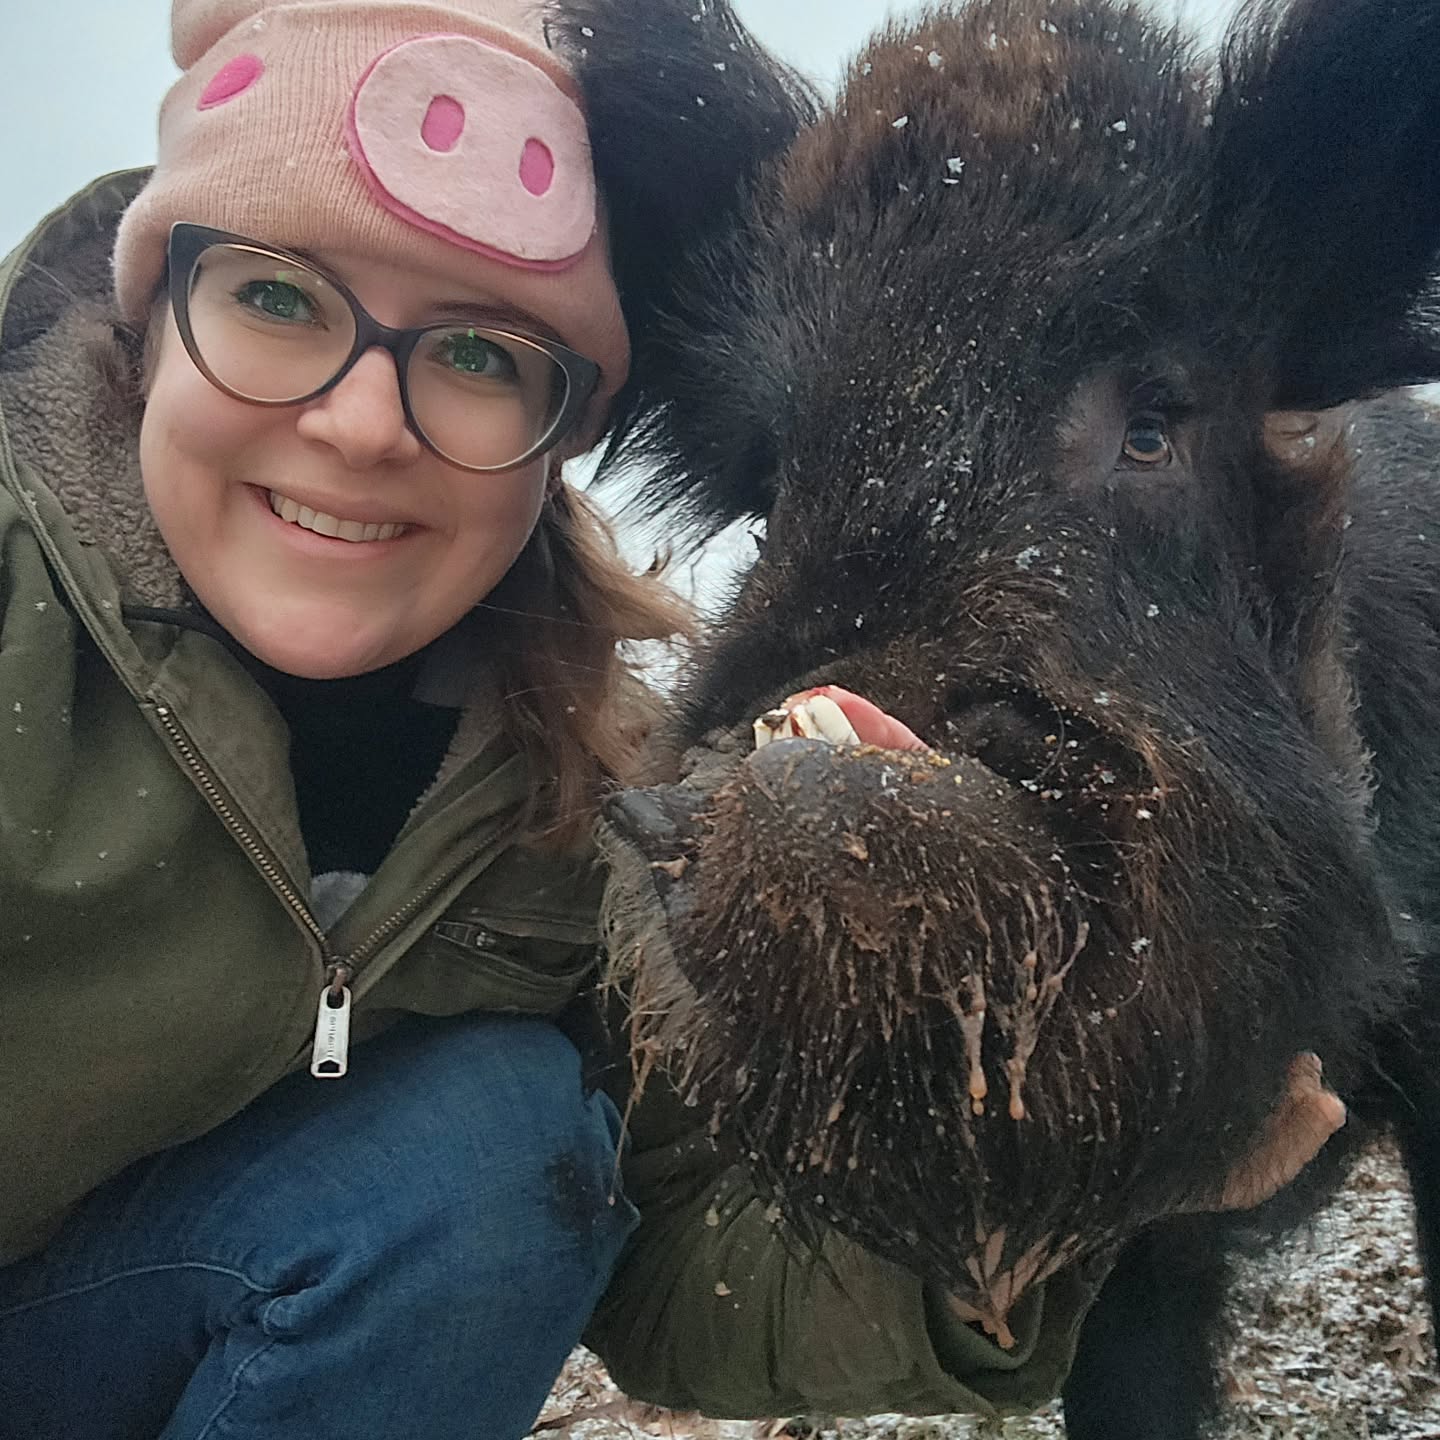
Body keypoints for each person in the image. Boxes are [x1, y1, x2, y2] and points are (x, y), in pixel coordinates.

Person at [0, 0, 1349, 1434]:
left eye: (477, 354)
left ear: (566, 425)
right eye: (275, 299)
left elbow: (670, 1262)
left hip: (130, 1310)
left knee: (487, 1149)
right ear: (153, 322)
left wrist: (1069, 1201)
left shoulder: (561, 772)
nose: (360, 422)